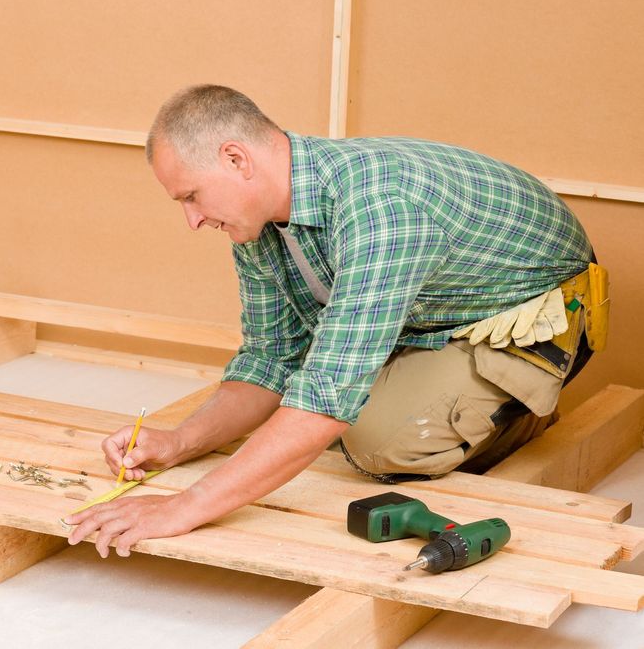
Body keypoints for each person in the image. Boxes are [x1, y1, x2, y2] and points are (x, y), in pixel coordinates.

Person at [65, 84, 607, 559]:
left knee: (376, 441)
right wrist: (179, 442)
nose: (192, 220)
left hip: (528, 321)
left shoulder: (380, 204)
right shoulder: (255, 224)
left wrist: (186, 507)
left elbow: (326, 392)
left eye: (191, 196)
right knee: (311, 416)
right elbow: (271, 359)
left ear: (235, 159)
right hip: (431, 320)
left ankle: (519, 412)